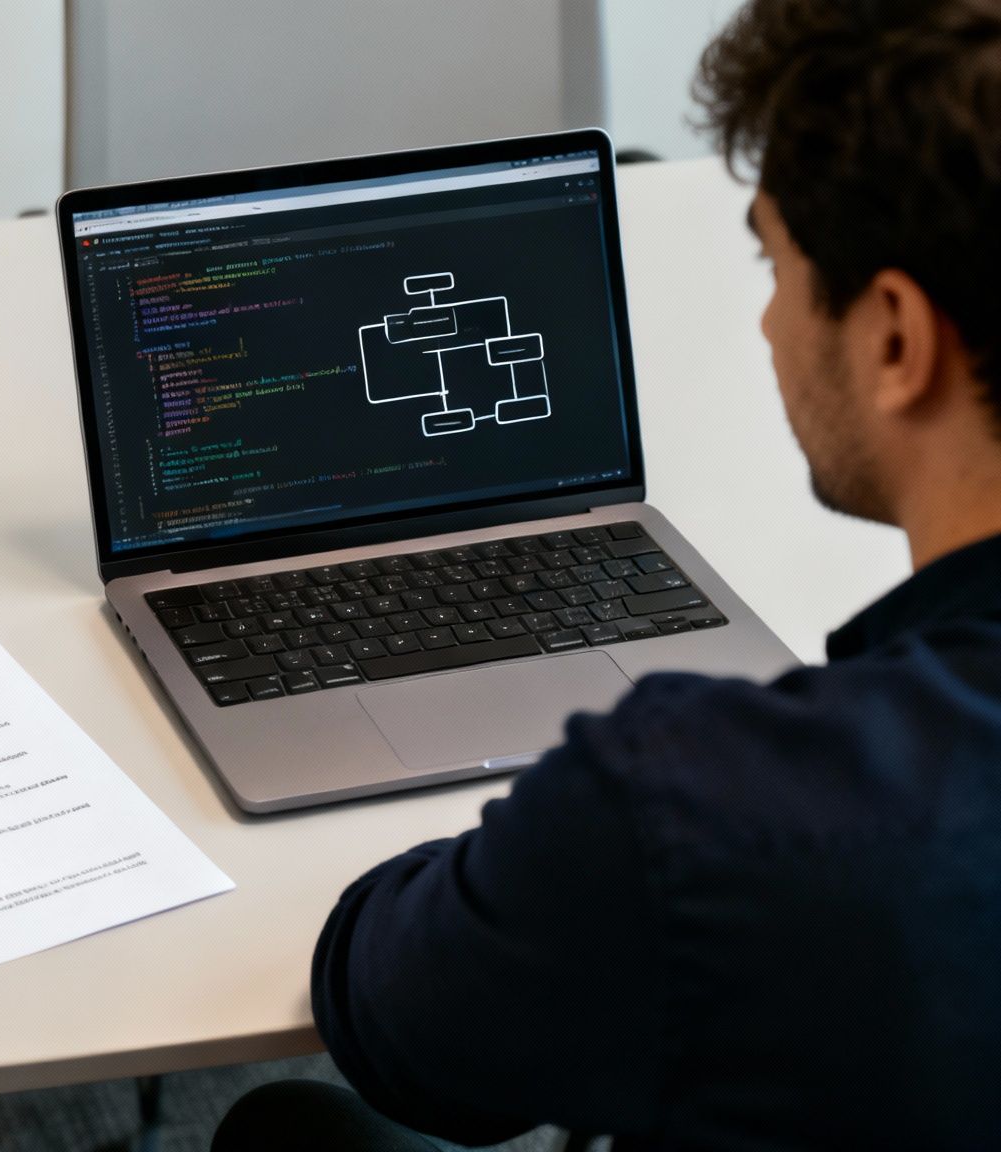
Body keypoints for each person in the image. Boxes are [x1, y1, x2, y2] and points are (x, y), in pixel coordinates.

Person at [213, 1, 1001, 1149]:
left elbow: (402, 1034)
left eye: (771, 263)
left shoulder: (691, 805)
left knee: (285, 1131)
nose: (770, 324)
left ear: (892, 336)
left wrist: (542, 838)